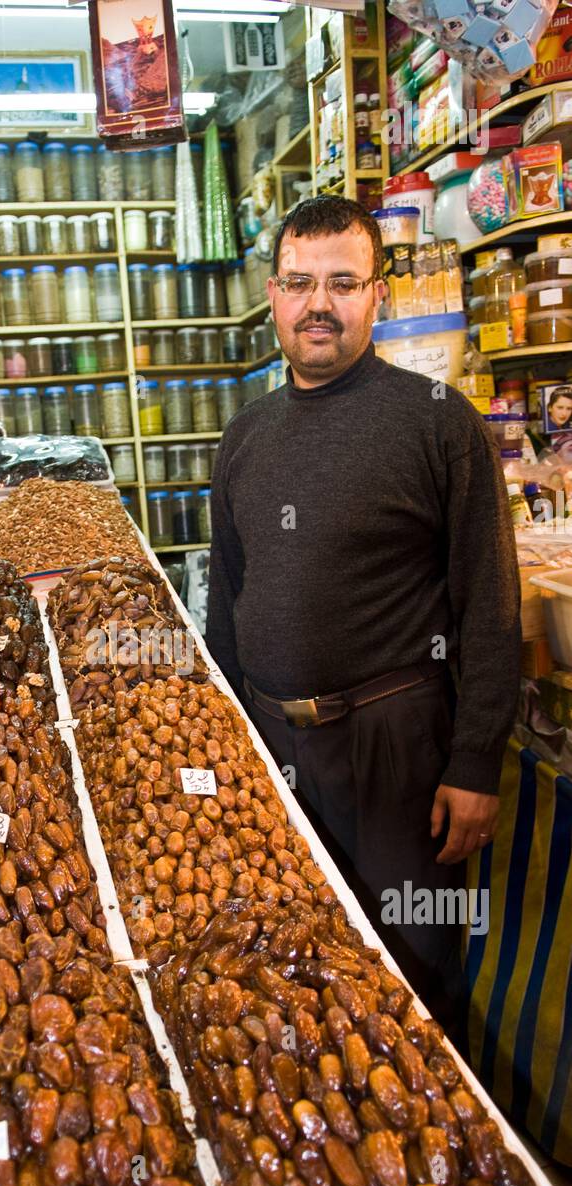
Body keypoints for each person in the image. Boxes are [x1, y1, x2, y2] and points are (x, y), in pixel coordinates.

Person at [205, 195, 521, 1033]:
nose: (318, 304)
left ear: (375, 294)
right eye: (300, 282)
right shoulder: (244, 437)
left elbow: (488, 601)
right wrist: (227, 751)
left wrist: (475, 762)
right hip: (274, 750)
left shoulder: (437, 425)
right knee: (289, 966)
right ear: (272, 294)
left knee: (413, 974)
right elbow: (226, 605)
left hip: (397, 753)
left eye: (342, 282)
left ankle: (448, 1154)